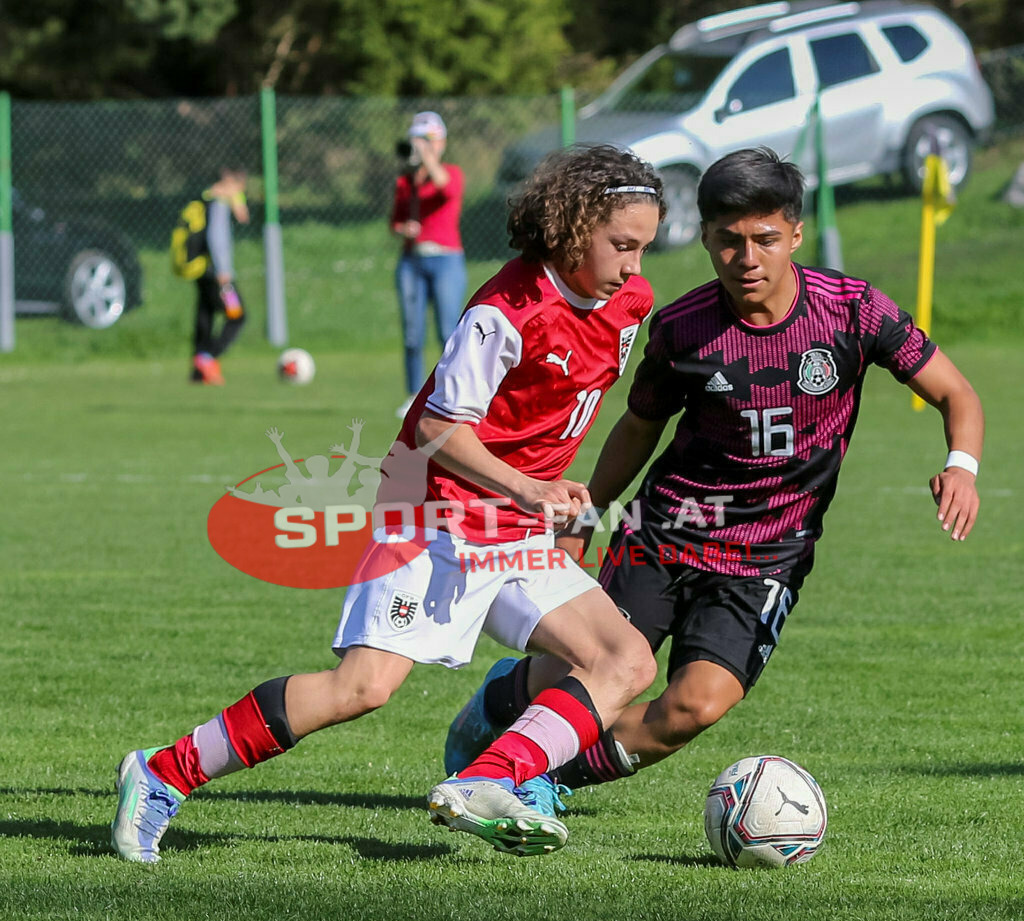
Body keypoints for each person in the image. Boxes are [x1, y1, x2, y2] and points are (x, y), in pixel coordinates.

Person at [111, 143, 667, 863]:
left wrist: (550, 506)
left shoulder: (632, 302)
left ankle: (487, 778)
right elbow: (437, 425)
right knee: (362, 687)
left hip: (514, 526)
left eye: (646, 248)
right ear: (572, 226)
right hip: (433, 512)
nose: (635, 266)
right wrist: (530, 487)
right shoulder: (507, 310)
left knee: (624, 659)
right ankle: (161, 771)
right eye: (622, 245)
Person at [444, 147, 984, 813]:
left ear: (795, 234)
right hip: (665, 533)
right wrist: (586, 519)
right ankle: (503, 702)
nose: (746, 258)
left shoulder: (853, 311)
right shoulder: (682, 328)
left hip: (768, 555)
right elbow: (638, 428)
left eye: (763, 239)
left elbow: (957, 394)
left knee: (693, 705)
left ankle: (548, 775)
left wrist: (961, 466)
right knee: (580, 670)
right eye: (727, 241)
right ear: (704, 238)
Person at [391, 111, 467, 418]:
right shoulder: (405, 182)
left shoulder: (451, 172)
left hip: (446, 260)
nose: (421, 146)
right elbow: (394, 220)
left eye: (428, 140)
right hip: (412, 260)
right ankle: (413, 395)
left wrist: (427, 156)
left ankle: (451, 393)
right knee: (412, 332)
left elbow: (446, 188)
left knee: (448, 331)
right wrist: (403, 229)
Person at [190, 168, 250, 385]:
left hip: (202, 271)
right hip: (220, 276)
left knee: (204, 318)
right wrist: (223, 271)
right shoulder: (219, 205)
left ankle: (197, 372)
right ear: (230, 181)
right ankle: (207, 360)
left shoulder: (205, 199)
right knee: (237, 316)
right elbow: (216, 237)